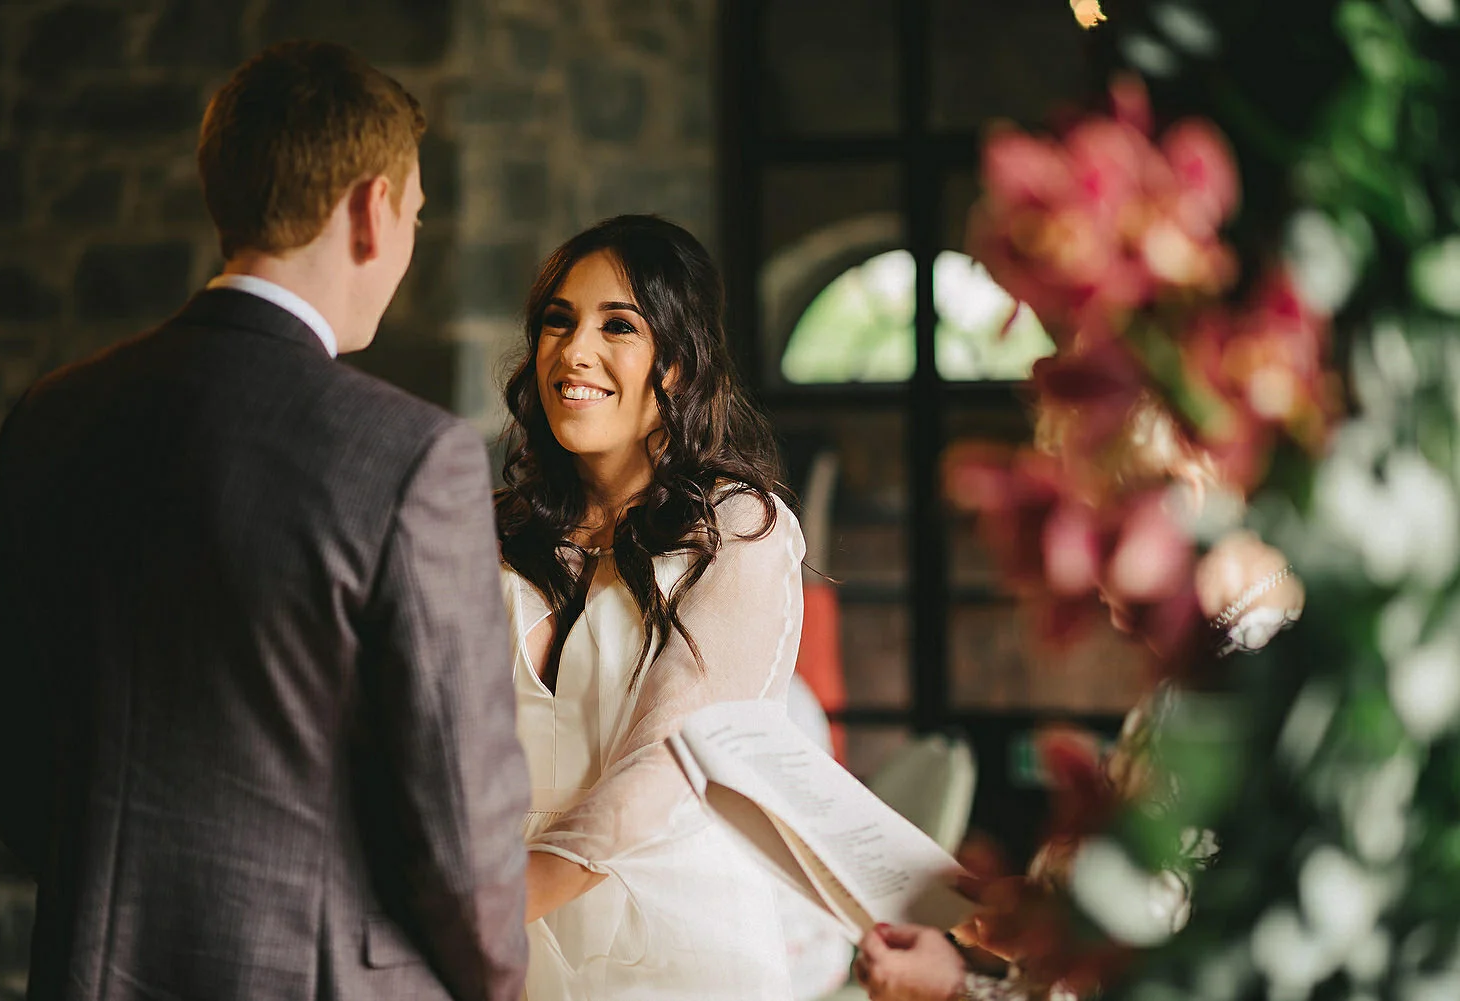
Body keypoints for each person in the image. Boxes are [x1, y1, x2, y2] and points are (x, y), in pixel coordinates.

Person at [0, 41, 529, 1001]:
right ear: (369, 209)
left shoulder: (52, 417)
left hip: (91, 966)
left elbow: (18, 772)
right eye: (414, 215)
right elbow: (461, 824)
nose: (406, 243)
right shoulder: (407, 453)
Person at [853, 395, 1305, 1001]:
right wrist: (1044, 925)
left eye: (1101, 531)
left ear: (1188, 493)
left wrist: (956, 992)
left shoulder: (1254, 700)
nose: (1082, 576)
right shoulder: (1219, 668)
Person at [494, 214, 806, 999]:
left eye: (618, 326)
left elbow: (668, 758)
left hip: (675, 954)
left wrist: (491, 907)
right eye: (556, 323)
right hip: (510, 956)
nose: (573, 353)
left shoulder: (740, 531)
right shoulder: (488, 533)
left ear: (676, 364)